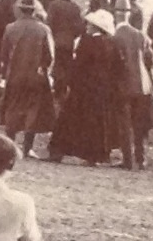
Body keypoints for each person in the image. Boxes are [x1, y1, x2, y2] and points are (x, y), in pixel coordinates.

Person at [46, 10, 121, 166]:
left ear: (96, 27)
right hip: (101, 89)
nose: (87, 26)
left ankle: (58, 151)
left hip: (83, 87)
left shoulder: (88, 42)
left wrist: (69, 82)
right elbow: (116, 68)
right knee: (97, 122)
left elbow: (79, 64)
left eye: (90, 24)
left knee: (70, 119)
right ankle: (94, 155)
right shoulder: (111, 43)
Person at [0, 0, 55, 157]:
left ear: (21, 9)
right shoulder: (43, 30)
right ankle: (27, 148)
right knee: (32, 111)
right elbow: (49, 57)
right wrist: (46, 72)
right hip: (35, 77)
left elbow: (4, 55)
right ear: (34, 10)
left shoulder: (10, 28)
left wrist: (5, 73)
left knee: (13, 109)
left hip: (15, 75)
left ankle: (9, 147)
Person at [111, 5, 153, 169]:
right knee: (140, 124)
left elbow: (114, 63)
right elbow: (151, 61)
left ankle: (127, 160)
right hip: (143, 85)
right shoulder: (140, 35)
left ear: (115, 16)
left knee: (125, 123)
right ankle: (141, 159)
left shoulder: (114, 37)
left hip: (124, 84)